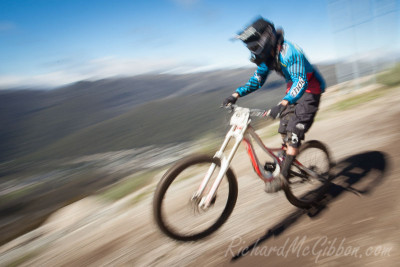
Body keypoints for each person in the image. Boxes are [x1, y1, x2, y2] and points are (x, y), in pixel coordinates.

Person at [223, 17, 326, 193]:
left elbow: (301, 82)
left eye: (254, 47)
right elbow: (257, 80)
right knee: (284, 128)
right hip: (292, 91)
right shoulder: (267, 56)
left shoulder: (290, 52)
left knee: (293, 133)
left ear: (266, 40)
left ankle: (283, 178)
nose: (252, 51)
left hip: (310, 90)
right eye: (250, 48)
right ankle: (287, 157)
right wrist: (236, 94)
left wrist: (284, 102)